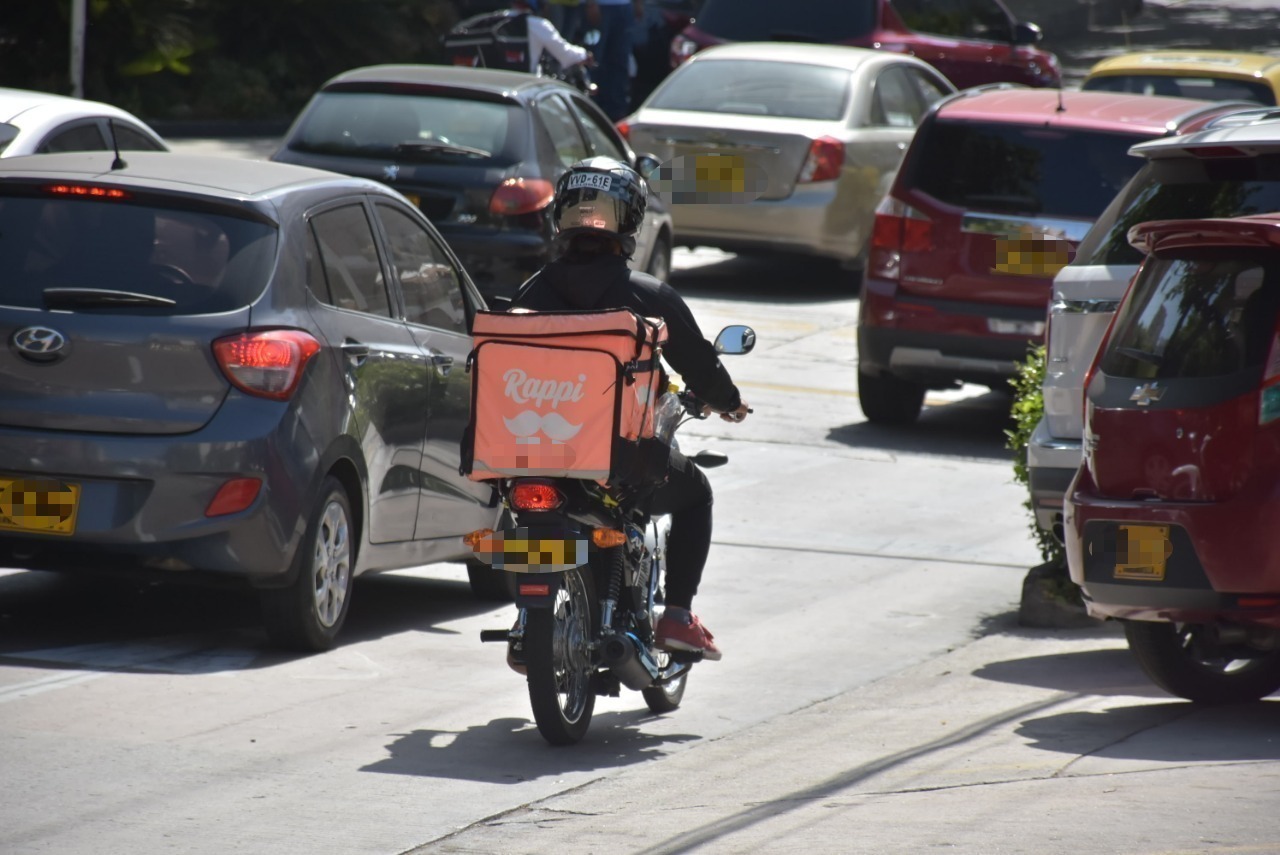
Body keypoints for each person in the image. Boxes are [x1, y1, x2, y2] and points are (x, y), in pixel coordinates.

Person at [510, 157, 750, 660]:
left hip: (532, 449)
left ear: (560, 219)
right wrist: (727, 402)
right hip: (621, 460)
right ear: (632, 223)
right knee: (697, 494)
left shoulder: (529, 295)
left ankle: (524, 620)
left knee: (522, 514)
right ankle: (679, 616)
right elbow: (699, 364)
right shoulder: (647, 295)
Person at [583, 0, 643, 121]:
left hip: (625, 8)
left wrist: (638, 3)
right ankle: (591, 108)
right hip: (601, 7)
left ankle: (617, 113)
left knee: (620, 62)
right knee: (594, 60)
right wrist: (591, 3)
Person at [511, 0, 591, 77]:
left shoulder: (498, 19)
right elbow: (565, 54)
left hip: (500, 84)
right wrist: (584, 55)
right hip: (527, 84)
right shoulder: (539, 25)